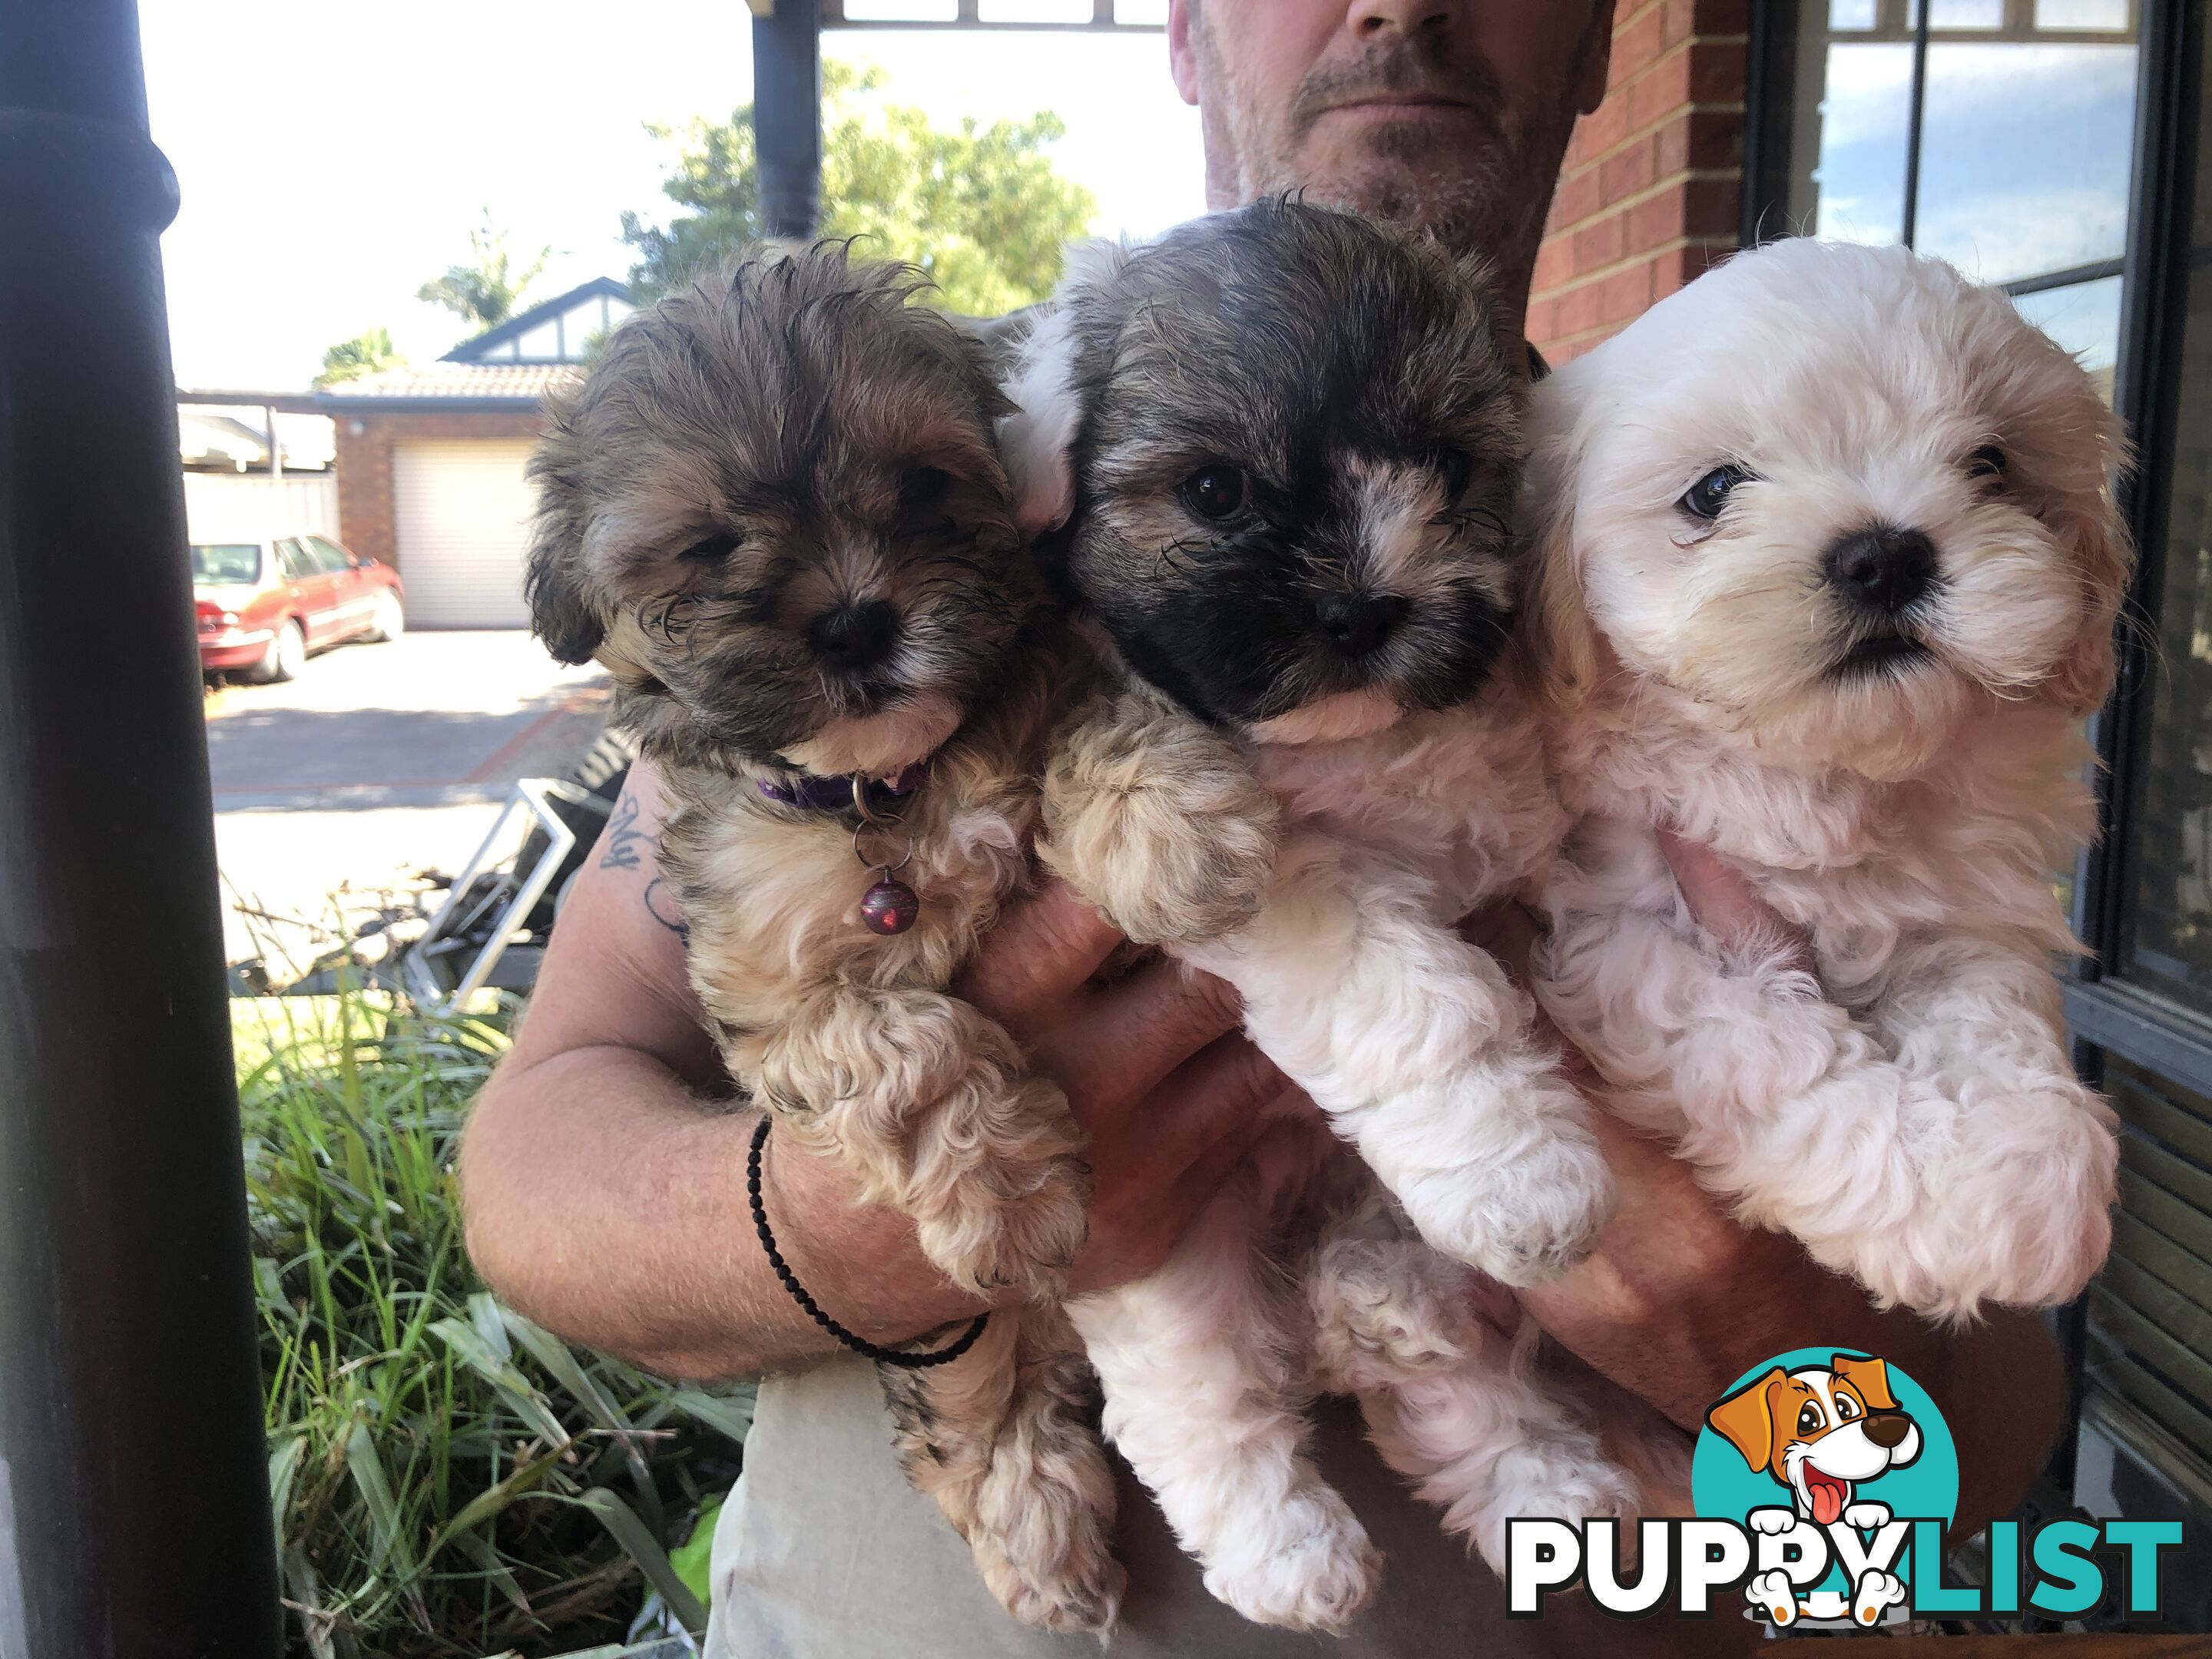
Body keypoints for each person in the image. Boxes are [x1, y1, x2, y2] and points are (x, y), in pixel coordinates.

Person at [459, 4, 2067, 1654]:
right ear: (1183, 27)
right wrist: (857, 1221)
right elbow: (536, 1156)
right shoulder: (905, 469)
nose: (1396, 2)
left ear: (1598, 39)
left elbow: (1994, 1458)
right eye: (1213, 492)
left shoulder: (1712, 501)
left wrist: (1754, 1329)